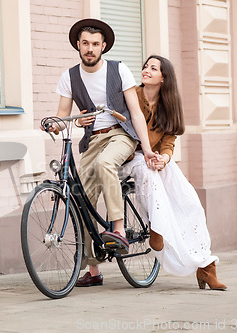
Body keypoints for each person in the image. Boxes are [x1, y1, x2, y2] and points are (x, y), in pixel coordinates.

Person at [80, 55, 226, 290]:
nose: (146, 70)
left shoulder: (169, 105)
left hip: (152, 157)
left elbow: (169, 141)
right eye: (145, 66)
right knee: (146, 172)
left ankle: (206, 266)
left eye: (153, 68)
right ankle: (157, 227)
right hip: (127, 155)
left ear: (163, 78)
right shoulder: (131, 94)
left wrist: (164, 159)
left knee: (186, 196)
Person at [48, 18, 156, 287]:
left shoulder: (119, 70)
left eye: (95, 44)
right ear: (78, 45)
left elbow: (136, 113)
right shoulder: (69, 77)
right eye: (85, 43)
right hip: (92, 142)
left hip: (120, 135)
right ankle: (93, 270)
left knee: (106, 163)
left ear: (103, 46)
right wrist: (68, 122)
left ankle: (117, 228)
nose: (90, 48)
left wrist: (147, 148)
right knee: (80, 199)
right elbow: (61, 119)